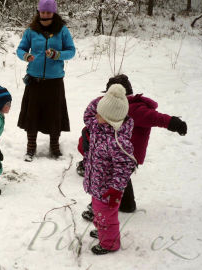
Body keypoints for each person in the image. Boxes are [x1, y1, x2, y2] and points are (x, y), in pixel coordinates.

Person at [79, 74, 188, 221]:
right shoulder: (114, 107)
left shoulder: (134, 109)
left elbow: (156, 118)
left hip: (125, 153)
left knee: (107, 180)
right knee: (123, 178)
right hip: (122, 153)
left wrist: (174, 123)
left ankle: (98, 207)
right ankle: (127, 204)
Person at [16, 0, 76, 162]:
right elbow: (20, 49)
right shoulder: (31, 30)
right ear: (38, 12)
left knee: (54, 114)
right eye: (42, 12)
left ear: (54, 13)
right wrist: (25, 56)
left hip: (54, 81)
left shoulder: (62, 31)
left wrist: (58, 54)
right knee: (32, 114)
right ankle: (31, 147)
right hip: (34, 80)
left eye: (48, 12)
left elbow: (71, 51)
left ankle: (55, 146)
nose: (45, 15)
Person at [82, 84, 137, 255]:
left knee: (107, 217)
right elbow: (88, 113)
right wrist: (108, 98)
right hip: (97, 184)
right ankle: (102, 232)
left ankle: (109, 243)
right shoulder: (98, 127)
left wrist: (116, 189)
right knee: (99, 213)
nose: (96, 115)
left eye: (101, 113)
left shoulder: (118, 142)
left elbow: (125, 168)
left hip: (108, 190)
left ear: (112, 119)